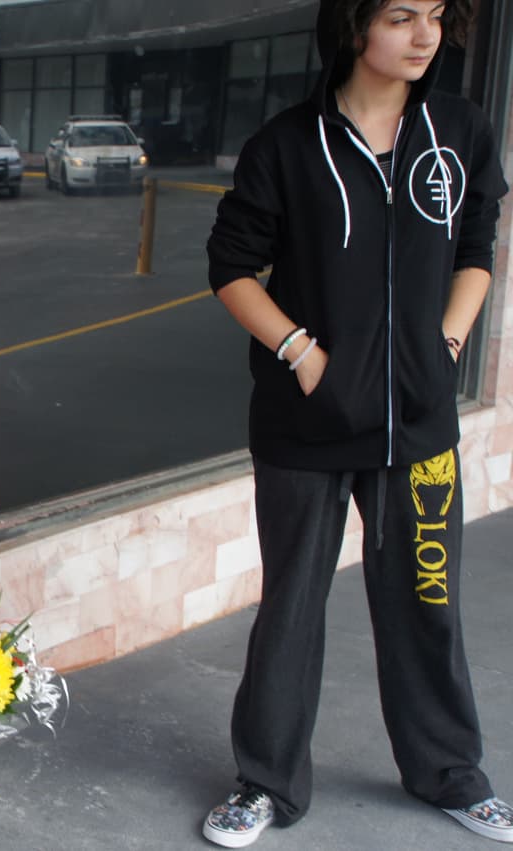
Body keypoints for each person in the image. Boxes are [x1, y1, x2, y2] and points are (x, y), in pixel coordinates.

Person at [203, 0, 510, 846]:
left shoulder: (459, 131)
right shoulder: (287, 145)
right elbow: (231, 265)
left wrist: (446, 344)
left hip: (419, 423)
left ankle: (452, 773)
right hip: (306, 423)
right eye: (402, 17)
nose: (425, 36)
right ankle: (265, 783)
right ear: (353, 26)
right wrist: (304, 354)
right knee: (290, 608)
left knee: (427, 602)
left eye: (436, 16)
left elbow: (477, 242)